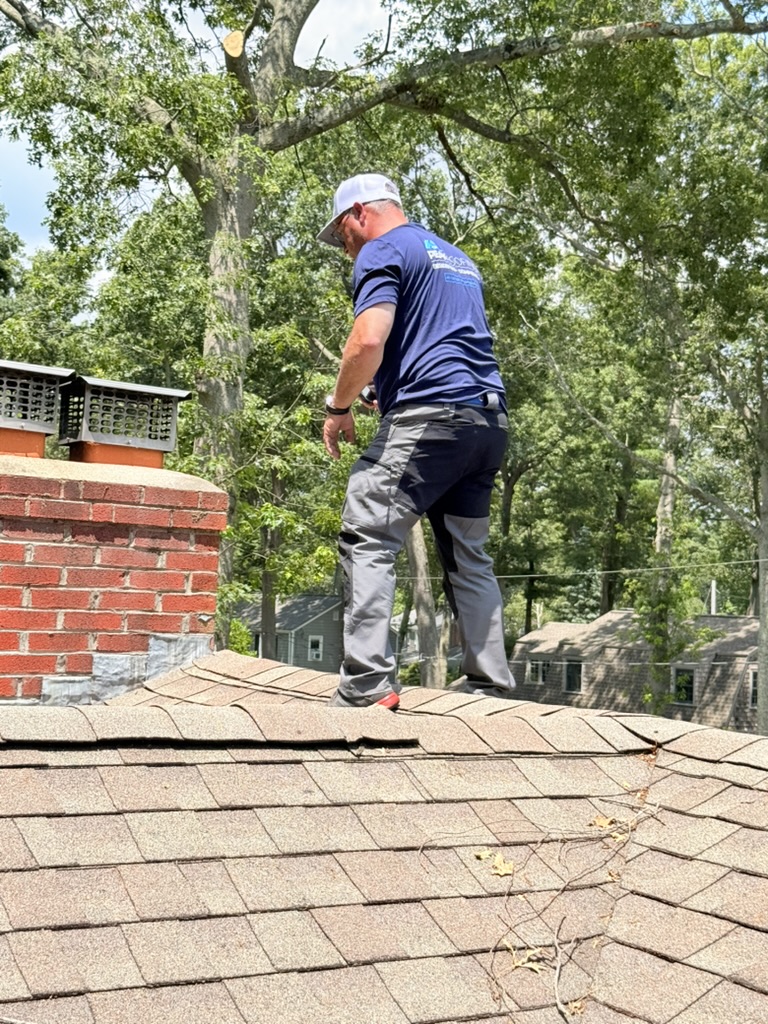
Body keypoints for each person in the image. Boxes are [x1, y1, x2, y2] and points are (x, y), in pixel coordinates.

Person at [318, 173, 516, 709]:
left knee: (367, 526)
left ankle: (366, 685)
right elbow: (441, 342)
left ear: (359, 213)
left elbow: (368, 340)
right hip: (486, 423)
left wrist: (339, 406)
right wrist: (382, 389)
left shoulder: (381, 249)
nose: (345, 248)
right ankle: (490, 685)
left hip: (432, 418)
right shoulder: (455, 258)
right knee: (467, 553)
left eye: (342, 235)